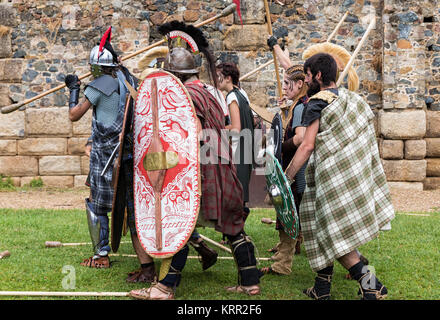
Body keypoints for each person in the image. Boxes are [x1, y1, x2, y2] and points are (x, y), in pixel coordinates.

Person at [129, 21, 260, 300]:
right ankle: (250, 284)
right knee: (233, 226)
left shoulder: (185, 96)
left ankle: (164, 288)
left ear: (174, 75)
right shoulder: (211, 92)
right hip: (223, 167)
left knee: (179, 226)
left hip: (200, 172)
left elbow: (194, 136)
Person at [284, 53, 395, 300]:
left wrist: (287, 176)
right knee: (318, 227)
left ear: (318, 76)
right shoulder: (351, 99)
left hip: (330, 180)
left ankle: (373, 285)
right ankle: (321, 289)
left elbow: (307, 145)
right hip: (345, 177)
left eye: (308, 75)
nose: (306, 81)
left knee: (333, 234)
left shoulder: (316, 103)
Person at [65, 28, 156, 278]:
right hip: (127, 153)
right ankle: (145, 264)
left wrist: (74, 89)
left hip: (106, 155)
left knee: (96, 204)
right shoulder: (127, 79)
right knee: (128, 206)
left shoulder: (99, 84)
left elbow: (74, 115)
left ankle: (100, 255)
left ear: (95, 66)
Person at [260, 64, 308, 276]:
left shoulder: (300, 108)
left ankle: (282, 264)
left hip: (297, 173)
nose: (284, 88)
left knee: (289, 214)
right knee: (294, 215)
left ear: (299, 84)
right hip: (297, 172)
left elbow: (299, 139)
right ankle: (282, 260)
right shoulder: (299, 105)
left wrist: (279, 145)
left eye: (288, 84)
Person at [216, 62, 254, 216]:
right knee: (240, 192)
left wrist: (216, 128)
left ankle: (237, 232)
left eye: (219, 76)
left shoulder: (231, 97)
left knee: (236, 193)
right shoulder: (242, 93)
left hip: (239, 150)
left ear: (228, 78)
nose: (216, 79)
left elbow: (236, 128)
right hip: (248, 146)